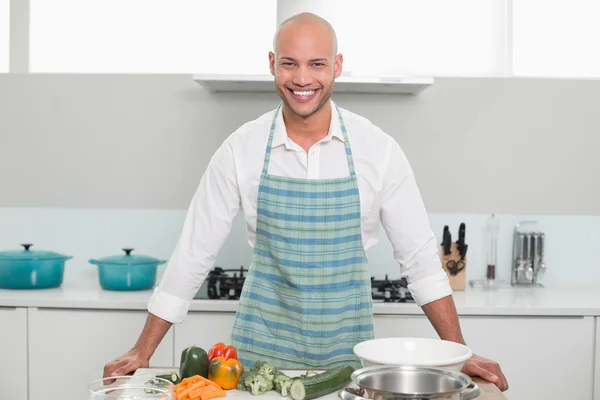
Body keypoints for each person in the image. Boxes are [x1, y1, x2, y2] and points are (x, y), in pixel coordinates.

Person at [104, 12, 508, 391]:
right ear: (271, 64)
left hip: (350, 364)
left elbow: (420, 263)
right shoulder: (241, 149)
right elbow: (193, 253)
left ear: (337, 65)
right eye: (289, 63)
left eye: (316, 63)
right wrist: (143, 350)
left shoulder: (377, 150)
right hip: (258, 363)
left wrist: (460, 352)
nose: (302, 78)